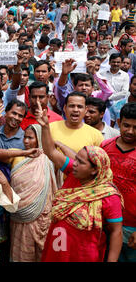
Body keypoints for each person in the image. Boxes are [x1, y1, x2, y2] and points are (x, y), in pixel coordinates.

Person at [33, 101, 124, 262]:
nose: (74, 163)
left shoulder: (109, 195)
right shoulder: (74, 174)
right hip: (57, 249)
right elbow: (51, 152)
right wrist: (46, 127)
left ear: (94, 169)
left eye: (81, 162)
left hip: (84, 254)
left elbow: (116, 232)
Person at [0, 124, 57, 262]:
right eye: (25, 137)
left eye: (30, 138)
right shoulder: (18, 155)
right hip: (18, 214)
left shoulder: (48, 158)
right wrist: (24, 153)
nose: (26, 141)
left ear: (39, 139)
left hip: (42, 216)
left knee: (42, 249)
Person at [101, 102, 136, 262]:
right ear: (119, 122)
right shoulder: (105, 147)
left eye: (135, 127)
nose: (130, 131)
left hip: (132, 228)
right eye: (126, 125)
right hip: (105, 223)